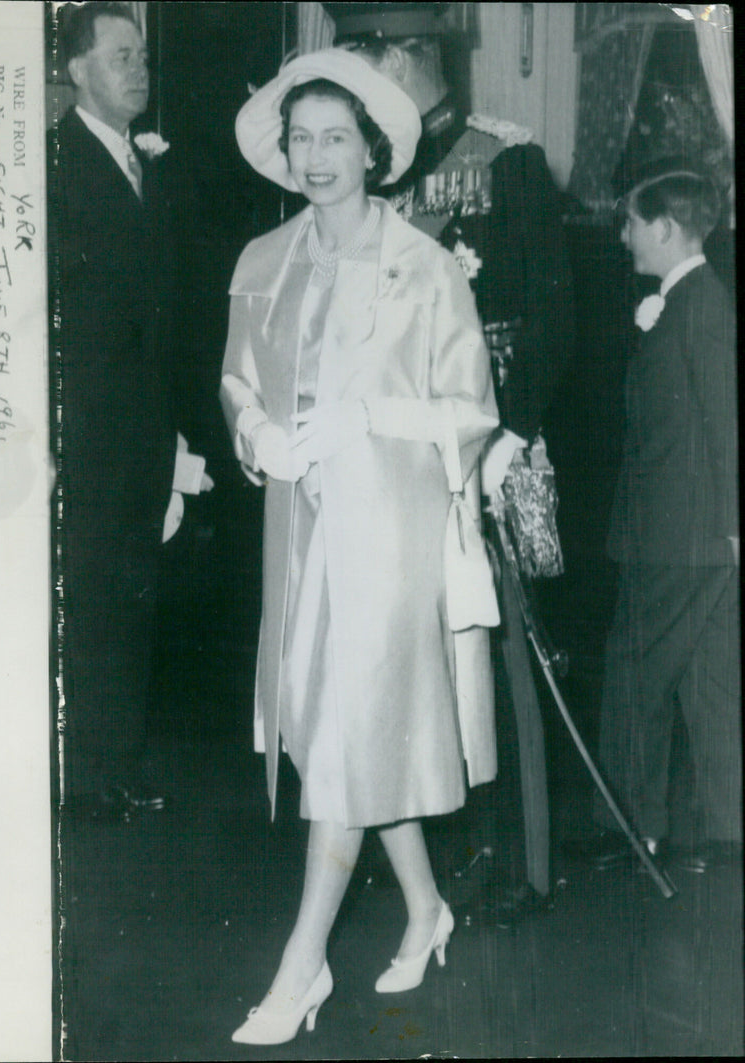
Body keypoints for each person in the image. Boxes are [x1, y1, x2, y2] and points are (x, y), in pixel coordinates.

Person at [220, 48, 499, 1045]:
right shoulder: (262, 261)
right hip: (296, 532)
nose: (317, 155)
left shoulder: (421, 269)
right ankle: (425, 909)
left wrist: (370, 415)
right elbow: (238, 382)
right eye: (301, 137)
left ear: (371, 150)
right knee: (345, 728)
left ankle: (301, 971)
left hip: (388, 532)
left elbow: (468, 407)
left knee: (342, 736)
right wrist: (253, 431)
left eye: (336, 136)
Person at [335, 15, 575, 918]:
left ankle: (523, 863)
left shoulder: (504, 159)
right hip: (397, 456)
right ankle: (429, 856)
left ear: (402, 57)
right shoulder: (371, 171)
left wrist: (506, 437)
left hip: (489, 450)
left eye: (361, 57)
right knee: (411, 656)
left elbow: (551, 320)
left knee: (506, 657)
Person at [48, 2, 211, 819]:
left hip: (146, 430)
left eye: (143, 54)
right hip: (86, 432)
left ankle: (115, 764)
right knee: (88, 601)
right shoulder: (53, 166)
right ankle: (79, 775)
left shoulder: (155, 169)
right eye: (121, 55)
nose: (140, 69)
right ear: (77, 71)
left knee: (133, 596)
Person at [587, 160, 740, 873]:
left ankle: (629, 827)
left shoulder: (700, 306)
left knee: (633, 673)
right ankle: (727, 830)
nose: (624, 236)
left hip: (680, 536)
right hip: (700, 537)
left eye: (632, 223)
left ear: (668, 228)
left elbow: (727, 423)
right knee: (708, 683)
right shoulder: (690, 304)